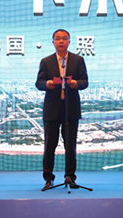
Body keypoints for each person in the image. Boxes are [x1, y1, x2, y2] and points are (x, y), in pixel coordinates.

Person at [36, 29, 88, 190]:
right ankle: (48, 178)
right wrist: (47, 84)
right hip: (51, 109)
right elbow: (39, 83)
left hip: (71, 109)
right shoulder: (46, 61)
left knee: (70, 146)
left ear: (69, 42)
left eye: (64, 38)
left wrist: (76, 84)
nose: (61, 41)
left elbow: (85, 81)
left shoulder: (78, 60)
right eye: (58, 38)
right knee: (49, 146)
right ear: (53, 42)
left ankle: (70, 177)